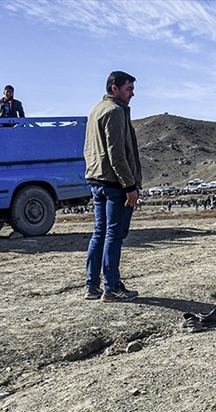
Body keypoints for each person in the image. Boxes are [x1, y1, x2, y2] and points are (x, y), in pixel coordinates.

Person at [84, 70, 142, 302]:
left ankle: (92, 286)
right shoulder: (115, 112)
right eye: (129, 89)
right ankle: (111, 287)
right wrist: (130, 185)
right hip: (115, 183)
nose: (132, 94)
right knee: (113, 235)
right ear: (114, 88)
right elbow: (117, 154)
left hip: (97, 180)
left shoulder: (96, 110)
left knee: (99, 233)